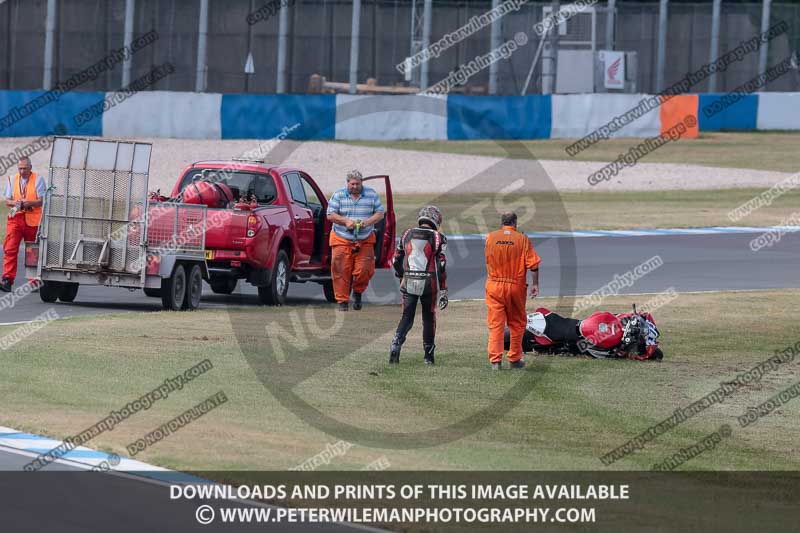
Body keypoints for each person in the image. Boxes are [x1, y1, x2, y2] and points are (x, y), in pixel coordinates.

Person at [389, 205, 448, 365]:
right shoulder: (439, 237)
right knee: (429, 318)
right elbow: (441, 265)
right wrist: (443, 289)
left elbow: (395, 260)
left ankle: (395, 345)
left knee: (407, 317)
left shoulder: (406, 233)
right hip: (429, 283)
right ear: (436, 220)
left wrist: (401, 275)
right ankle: (428, 357)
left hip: (408, 280)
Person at [484, 211, 541, 370]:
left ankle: (495, 361)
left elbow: (488, 259)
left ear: (502, 223)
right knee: (516, 323)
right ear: (515, 223)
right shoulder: (522, 239)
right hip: (515, 286)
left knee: (496, 324)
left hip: (494, 285)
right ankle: (515, 358)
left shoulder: (490, 237)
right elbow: (533, 265)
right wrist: (535, 284)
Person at [325, 170, 385, 311]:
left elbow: (380, 213)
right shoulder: (338, 195)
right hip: (341, 238)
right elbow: (330, 214)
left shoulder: (371, 194)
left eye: (358, 184)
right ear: (347, 183)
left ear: (361, 183)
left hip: (364, 239)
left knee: (365, 270)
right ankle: (342, 302)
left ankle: (357, 292)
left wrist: (367, 222)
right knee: (340, 270)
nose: (355, 187)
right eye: (352, 184)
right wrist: (345, 221)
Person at [2, 157, 46, 292]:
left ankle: (34, 281)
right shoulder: (12, 179)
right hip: (15, 219)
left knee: (32, 251)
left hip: (32, 221)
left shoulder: (38, 179)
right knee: (10, 249)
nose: (22, 171)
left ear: (30, 168)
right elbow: (7, 200)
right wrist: (17, 203)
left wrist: (29, 203)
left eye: (25, 168)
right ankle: (7, 280)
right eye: (20, 168)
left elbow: (41, 201)